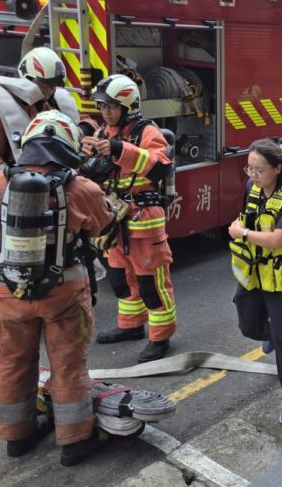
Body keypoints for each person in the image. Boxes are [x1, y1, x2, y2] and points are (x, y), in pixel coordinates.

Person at [0, 110, 112, 466]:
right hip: (64, 292)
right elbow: (101, 226)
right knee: (68, 366)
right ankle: (74, 441)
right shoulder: (81, 187)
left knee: (12, 364)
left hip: (8, 293)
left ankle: (16, 438)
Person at [83, 74, 177, 363]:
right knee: (120, 279)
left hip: (143, 218)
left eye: (111, 107)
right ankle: (131, 326)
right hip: (113, 220)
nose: (105, 112)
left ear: (128, 106)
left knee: (151, 283)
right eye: (102, 106)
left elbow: (160, 166)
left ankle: (161, 336)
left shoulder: (147, 132)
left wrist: (118, 150)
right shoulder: (103, 132)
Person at [228, 138, 282, 426]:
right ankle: (273, 333)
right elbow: (245, 220)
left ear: (277, 168)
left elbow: (277, 239)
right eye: (249, 169)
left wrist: (242, 234)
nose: (252, 175)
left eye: (259, 170)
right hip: (254, 273)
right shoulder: (252, 188)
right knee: (248, 326)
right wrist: (241, 229)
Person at [0, 47, 95, 177]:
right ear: (27, 79)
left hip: (55, 179)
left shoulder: (51, 102)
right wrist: (12, 179)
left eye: (53, 86)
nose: (49, 91)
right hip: (18, 188)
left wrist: (80, 131)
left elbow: (85, 121)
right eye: (45, 85)